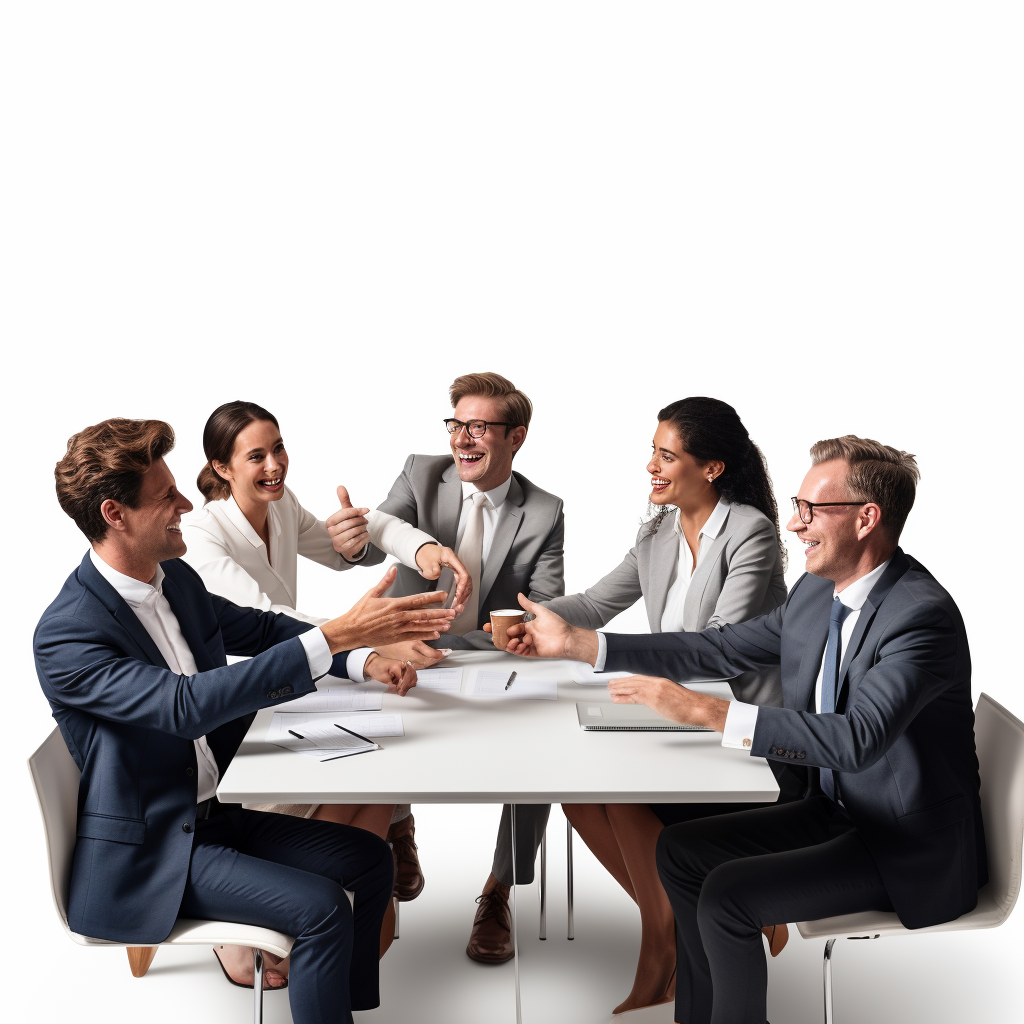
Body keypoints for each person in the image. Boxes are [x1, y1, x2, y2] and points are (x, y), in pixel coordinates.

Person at [505, 436, 985, 1024]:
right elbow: (723, 646)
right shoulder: (816, 591)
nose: (792, 522)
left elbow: (858, 739)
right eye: (796, 504)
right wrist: (584, 644)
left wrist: (706, 712)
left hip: (902, 846)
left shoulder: (920, 616)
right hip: (835, 810)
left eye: (811, 510)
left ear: (866, 519)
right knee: (680, 852)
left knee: (729, 896)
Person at [35, 418, 455, 1021]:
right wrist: (340, 630)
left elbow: (260, 630)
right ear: (114, 514)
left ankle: (346, 1010)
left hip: (218, 812)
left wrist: (360, 656)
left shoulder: (171, 578)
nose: (187, 502)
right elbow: (184, 706)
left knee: (371, 860)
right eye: (166, 497)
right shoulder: (68, 633)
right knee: (320, 907)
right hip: (156, 850)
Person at [538, 397, 790, 1015]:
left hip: (736, 729)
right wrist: (533, 619)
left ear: (712, 468)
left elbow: (721, 651)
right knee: (575, 785)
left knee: (612, 782)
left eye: (667, 455)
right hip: (670, 715)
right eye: (652, 450)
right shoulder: (657, 531)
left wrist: (591, 648)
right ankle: (684, 920)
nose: (652, 465)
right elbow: (597, 605)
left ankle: (662, 939)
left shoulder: (749, 533)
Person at [181, 401, 471, 919]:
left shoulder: (281, 503)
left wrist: (419, 549)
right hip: (242, 704)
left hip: (294, 679)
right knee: (372, 731)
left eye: (279, 448)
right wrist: (373, 641)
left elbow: (346, 541)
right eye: (256, 457)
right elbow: (269, 622)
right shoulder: (204, 537)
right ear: (222, 468)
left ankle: (388, 836)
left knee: (393, 714)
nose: (274, 465)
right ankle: (339, 870)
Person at [353, 371, 565, 964]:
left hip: (489, 660)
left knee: (540, 752)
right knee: (367, 731)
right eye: (456, 424)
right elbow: (372, 543)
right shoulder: (421, 474)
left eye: (479, 427)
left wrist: (502, 637)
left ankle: (499, 890)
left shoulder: (544, 511)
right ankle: (396, 828)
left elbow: (541, 604)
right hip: (400, 654)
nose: (462, 439)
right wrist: (352, 539)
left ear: (516, 437)